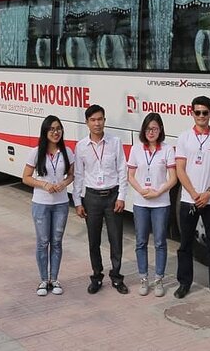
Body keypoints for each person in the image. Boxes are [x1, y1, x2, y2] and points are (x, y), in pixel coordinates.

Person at [173, 96, 210, 301]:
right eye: (197, 112)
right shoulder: (184, 138)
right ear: (192, 113)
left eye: (205, 112)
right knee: (185, 245)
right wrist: (195, 194)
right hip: (189, 200)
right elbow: (180, 169)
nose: (201, 116)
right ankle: (184, 284)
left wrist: (208, 193)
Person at [73, 104, 129, 294]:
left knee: (116, 239)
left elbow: (123, 169)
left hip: (112, 196)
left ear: (105, 120)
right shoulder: (81, 146)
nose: (97, 123)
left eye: (100, 119)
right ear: (87, 122)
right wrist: (78, 202)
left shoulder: (115, 142)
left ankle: (116, 277)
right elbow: (78, 175)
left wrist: (121, 196)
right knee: (93, 240)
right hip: (92, 197)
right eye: (93, 120)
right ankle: (97, 277)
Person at [22, 115, 75, 296]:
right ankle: (43, 280)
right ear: (45, 132)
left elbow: (71, 175)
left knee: (57, 242)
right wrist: (44, 184)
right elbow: (26, 177)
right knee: (43, 242)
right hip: (41, 204)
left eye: (58, 128)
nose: (55, 132)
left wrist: (64, 184)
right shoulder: (36, 152)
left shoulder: (67, 152)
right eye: (51, 129)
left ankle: (54, 279)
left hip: (61, 204)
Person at [127, 113, 177, 297]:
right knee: (141, 241)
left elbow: (173, 178)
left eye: (155, 129)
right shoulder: (136, 149)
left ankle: (158, 279)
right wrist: (141, 190)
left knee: (160, 242)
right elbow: (130, 176)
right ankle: (143, 278)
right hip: (141, 202)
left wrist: (158, 192)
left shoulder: (167, 150)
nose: (151, 132)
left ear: (161, 130)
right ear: (143, 130)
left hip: (161, 203)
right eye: (148, 129)